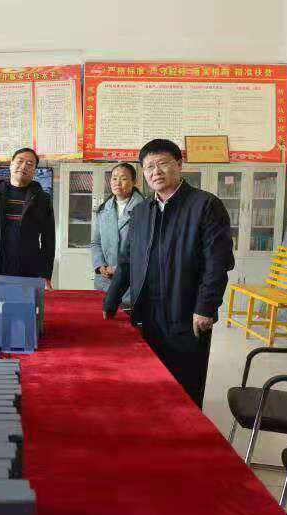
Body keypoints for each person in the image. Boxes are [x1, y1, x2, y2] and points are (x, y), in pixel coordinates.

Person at [103, 139, 234, 408]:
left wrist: (205, 308)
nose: (156, 171)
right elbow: (126, 261)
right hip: (147, 312)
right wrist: (111, 300)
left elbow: (217, 263)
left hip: (186, 312)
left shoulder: (205, 205)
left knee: (185, 386)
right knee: (150, 382)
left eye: (162, 163)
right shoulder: (141, 212)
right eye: (149, 166)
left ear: (179, 164)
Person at [0, 148, 55, 289]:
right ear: (11, 165)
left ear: (34, 170)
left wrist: (45, 274)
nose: (24, 166)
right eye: (20, 161)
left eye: (30, 164)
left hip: (29, 272)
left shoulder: (42, 199)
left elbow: (49, 240)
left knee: (27, 304)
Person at [90, 163, 144, 304]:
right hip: (105, 281)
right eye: (114, 178)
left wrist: (118, 269)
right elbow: (96, 242)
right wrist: (100, 265)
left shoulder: (144, 210)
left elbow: (145, 250)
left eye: (123, 178)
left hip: (131, 282)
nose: (117, 182)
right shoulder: (103, 209)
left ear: (134, 182)